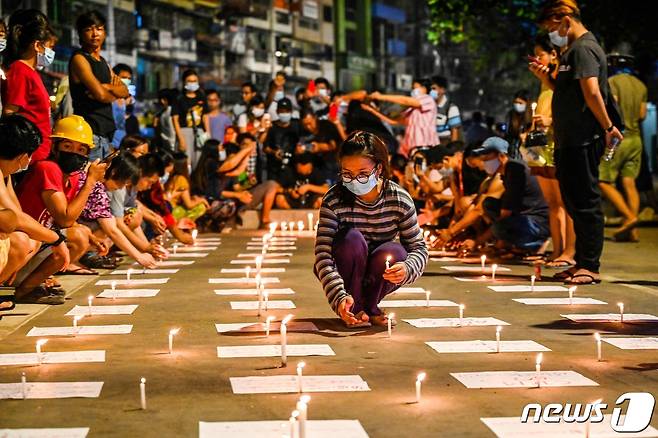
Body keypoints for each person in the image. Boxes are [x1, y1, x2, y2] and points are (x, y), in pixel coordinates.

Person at [534, 0, 624, 285]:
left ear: (565, 19)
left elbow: (592, 92)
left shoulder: (584, 48)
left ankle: (590, 265)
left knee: (586, 201)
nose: (551, 33)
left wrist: (608, 126)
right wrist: (545, 78)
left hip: (584, 138)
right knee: (573, 201)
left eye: (551, 26)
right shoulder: (570, 51)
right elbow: (567, 91)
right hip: (568, 139)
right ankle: (579, 261)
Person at [314, 131, 428, 328]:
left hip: (379, 272)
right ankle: (355, 307)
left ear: (379, 169)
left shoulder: (398, 199)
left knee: (395, 252)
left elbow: (419, 248)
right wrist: (339, 297)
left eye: (363, 174)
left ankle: (368, 305)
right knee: (350, 239)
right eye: (347, 174)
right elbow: (323, 256)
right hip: (346, 268)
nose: (354, 180)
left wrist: (407, 268)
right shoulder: (334, 200)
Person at [14, 115, 107, 303]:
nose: (74, 153)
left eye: (81, 149)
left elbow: (67, 221)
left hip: (36, 243)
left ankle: (33, 282)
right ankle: (24, 289)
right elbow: (65, 219)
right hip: (21, 244)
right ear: (55, 146)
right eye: (67, 146)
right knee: (77, 237)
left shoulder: (70, 177)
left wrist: (88, 232)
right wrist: (90, 182)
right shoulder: (48, 168)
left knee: (80, 232)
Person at [0, 115, 70, 309]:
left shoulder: (5, 175)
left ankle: (3, 288)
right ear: (24, 155)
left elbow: (17, 214)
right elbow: (16, 220)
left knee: (32, 238)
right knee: (22, 240)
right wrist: (56, 239)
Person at [526, 34, 576, 267]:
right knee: (553, 203)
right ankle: (557, 250)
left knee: (566, 202)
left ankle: (570, 250)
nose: (537, 59)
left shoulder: (560, 78)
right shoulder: (543, 82)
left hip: (557, 145)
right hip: (540, 147)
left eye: (541, 54)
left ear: (554, 54)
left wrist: (550, 121)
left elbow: (570, 109)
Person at [77, 152, 158, 268]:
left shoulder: (99, 187)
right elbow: (112, 230)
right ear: (114, 172)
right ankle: (79, 258)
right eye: (123, 183)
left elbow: (111, 225)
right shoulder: (90, 182)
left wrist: (145, 248)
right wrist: (140, 255)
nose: (122, 187)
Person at [598, 52, 647, 242]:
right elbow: (642, 114)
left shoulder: (612, 82)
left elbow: (613, 107)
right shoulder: (641, 85)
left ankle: (630, 217)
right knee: (629, 183)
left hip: (618, 138)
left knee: (603, 180)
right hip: (636, 140)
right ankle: (631, 231)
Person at [471, 137, 550, 253]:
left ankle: (535, 243)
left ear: (502, 157)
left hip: (537, 222)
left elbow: (505, 214)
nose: (484, 163)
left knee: (500, 227)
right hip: (525, 216)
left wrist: (479, 241)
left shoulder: (515, 171)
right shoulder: (506, 173)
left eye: (487, 159)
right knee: (490, 204)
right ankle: (512, 244)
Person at [69, 10, 129, 161]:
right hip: (89, 133)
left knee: (102, 184)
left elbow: (125, 90)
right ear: (80, 34)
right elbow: (100, 95)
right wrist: (107, 92)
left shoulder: (103, 62)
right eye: (89, 29)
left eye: (99, 28)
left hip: (106, 135)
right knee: (89, 180)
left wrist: (107, 87)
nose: (95, 34)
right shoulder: (79, 59)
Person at [1, 9, 57, 163]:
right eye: (49, 46)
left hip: (37, 155)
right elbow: (10, 113)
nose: (51, 51)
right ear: (37, 45)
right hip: (28, 158)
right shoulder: (20, 70)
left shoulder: (31, 72)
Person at [219, 133, 278, 228]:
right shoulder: (232, 160)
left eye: (251, 146)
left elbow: (240, 184)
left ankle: (265, 219)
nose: (249, 148)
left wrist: (248, 184)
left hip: (243, 196)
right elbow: (234, 186)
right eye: (246, 145)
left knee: (271, 185)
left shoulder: (253, 162)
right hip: (229, 199)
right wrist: (241, 193)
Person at [369, 78, 439, 158]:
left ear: (424, 88)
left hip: (425, 146)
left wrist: (380, 97)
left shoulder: (428, 99)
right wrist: (372, 110)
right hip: (410, 148)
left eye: (415, 88)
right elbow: (393, 121)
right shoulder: (411, 109)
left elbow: (404, 100)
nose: (413, 91)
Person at [263, 97, 302, 182]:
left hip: (293, 167)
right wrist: (274, 152)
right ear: (277, 111)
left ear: (291, 112)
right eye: (282, 111)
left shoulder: (297, 125)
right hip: (275, 169)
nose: (284, 114)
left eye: (287, 111)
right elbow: (265, 147)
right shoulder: (272, 127)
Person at [172, 69, 205, 167]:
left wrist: (207, 133)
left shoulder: (201, 97)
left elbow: (205, 116)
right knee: (186, 164)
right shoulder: (179, 98)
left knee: (199, 163)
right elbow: (175, 120)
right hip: (184, 132)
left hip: (199, 133)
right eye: (190, 81)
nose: (192, 83)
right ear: (184, 82)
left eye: (195, 81)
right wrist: (181, 138)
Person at [165, 152, 209, 223]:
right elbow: (189, 205)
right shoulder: (182, 180)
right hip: (173, 211)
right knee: (201, 207)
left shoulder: (172, 177)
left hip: (168, 208)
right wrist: (201, 200)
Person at [300, 109, 342, 183]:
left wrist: (320, 147)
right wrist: (303, 149)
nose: (308, 127)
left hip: (338, 161)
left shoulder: (326, 126)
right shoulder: (304, 134)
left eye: (310, 123)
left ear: (315, 118)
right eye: (305, 125)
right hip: (321, 166)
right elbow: (303, 147)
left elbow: (333, 145)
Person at [430, 75, 462, 145]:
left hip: (444, 147)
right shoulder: (428, 107)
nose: (431, 92)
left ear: (442, 90)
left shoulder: (451, 108)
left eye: (434, 88)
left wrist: (452, 150)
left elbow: (454, 133)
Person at [111, 63, 134, 147]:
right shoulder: (108, 97)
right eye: (124, 77)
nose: (127, 80)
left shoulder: (125, 99)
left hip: (121, 142)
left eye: (129, 78)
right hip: (110, 142)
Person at [505, 90, 532, 159]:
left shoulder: (532, 116)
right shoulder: (511, 115)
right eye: (515, 102)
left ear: (527, 103)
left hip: (527, 155)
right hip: (512, 153)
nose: (517, 105)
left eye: (520, 103)